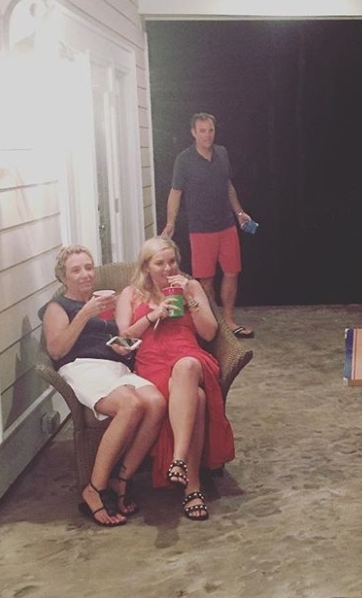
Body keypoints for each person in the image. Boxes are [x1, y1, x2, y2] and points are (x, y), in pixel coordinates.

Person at [41, 245, 166, 526]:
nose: (85, 274)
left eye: (88, 267)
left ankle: (122, 479)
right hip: (82, 367)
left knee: (156, 402)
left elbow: (115, 339)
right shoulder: (58, 307)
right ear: (63, 277)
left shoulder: (105, 305)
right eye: (76, 270)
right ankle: (94, 488)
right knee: (130, 404)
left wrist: (125, 345)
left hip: (116, 366)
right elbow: (57, 350)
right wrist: (85, 313)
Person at [115, 236, 236, 521]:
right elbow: (122, 342)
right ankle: (192, 488)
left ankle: (178, 459)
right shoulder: (131, 294)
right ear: (146, 267)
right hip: (152, 364)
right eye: (160, 263)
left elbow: (208, 333)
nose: (168, 268)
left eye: (172, 261)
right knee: (197, 399)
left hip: (190, 356)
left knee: (186, 366)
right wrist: (152, 316)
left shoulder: (190, 286)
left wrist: (190, 299)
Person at [161, 111, 255, 339]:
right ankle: (210, 324)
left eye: (210, 130)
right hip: (201, 229)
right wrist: (171, 222)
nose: (207, 135)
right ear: (193, 133)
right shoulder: (184, 160)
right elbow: (175, 193)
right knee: (206, 279)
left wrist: (239, 213)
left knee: (232, 272)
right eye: (202, 131)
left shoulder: (222, 153)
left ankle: (228, 320)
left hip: (226, 225)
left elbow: (227, 186)